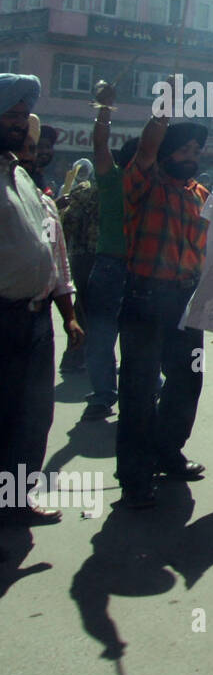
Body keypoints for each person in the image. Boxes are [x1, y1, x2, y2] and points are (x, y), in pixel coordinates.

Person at [115, 82, 209, 509]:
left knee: (188, 378)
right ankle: (134, 476)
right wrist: (163, 112)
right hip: (146, 299)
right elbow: (147, 150)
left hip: (187, 303)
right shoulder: (144, 183)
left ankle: (167, 450)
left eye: (196, 150)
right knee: (138, 387)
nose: (193, 156)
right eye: (185, 149)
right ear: (167, 152)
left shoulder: (201, 195)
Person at [1, 84, 84, 525]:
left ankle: (16, 502)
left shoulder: (26, 184)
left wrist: (68, 316)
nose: (18, 123)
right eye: (10, 115)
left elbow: (55, 259)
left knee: (32, 417)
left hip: (33, 323)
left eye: (23, 116)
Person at [80, 82, 136, 421]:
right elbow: (99, 143)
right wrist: (105, 109)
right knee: (101, 336)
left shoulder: (154, 186)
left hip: (139, 269)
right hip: (110, 266)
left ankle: (143, 385)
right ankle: (103, 394)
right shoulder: (112, 179)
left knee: (137, 336)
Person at [57, 158, 98, 374]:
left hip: (80, 255)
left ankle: (77, 356)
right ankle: (76, 357)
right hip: (96, 256)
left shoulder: (80, 191)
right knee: (88, 309)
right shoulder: (105, 191)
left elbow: (67, 222)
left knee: (83, 306)